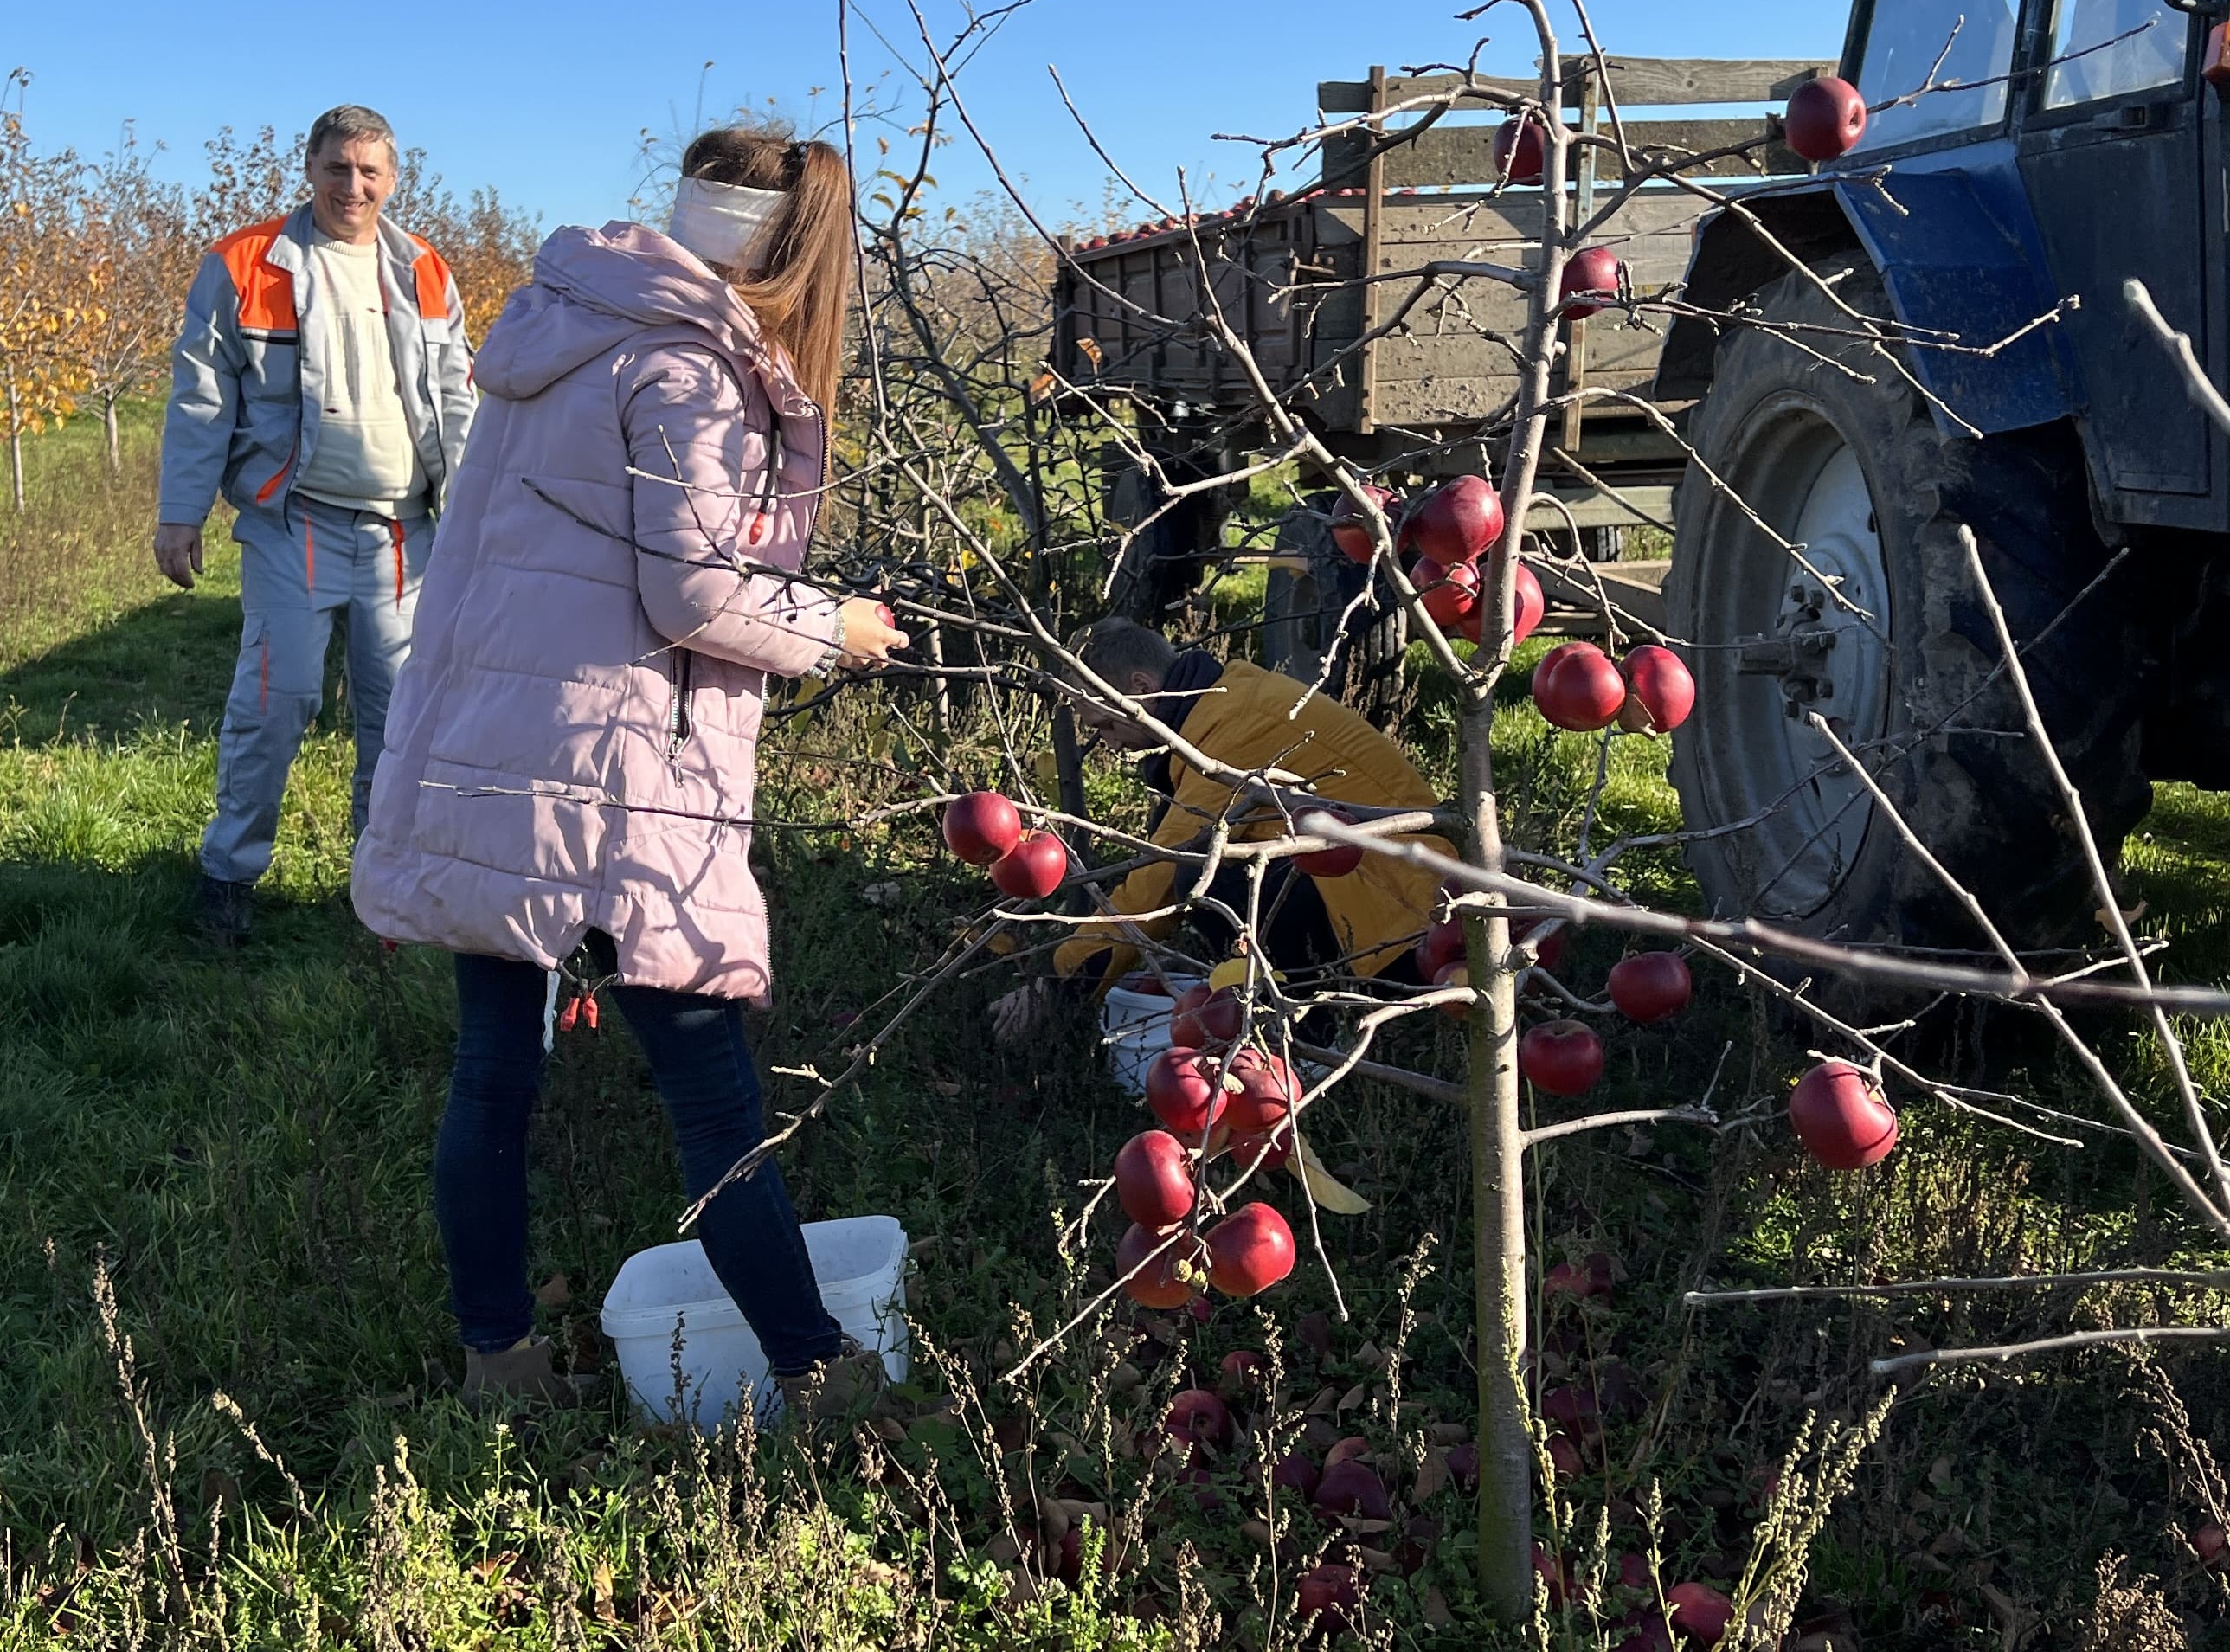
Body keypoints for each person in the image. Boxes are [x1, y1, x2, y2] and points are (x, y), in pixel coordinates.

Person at [351, 122, 909, 1415]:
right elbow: (697, 590)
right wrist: (839, 628)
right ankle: (820, 1377)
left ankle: (499, 1358)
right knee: (708, 1082)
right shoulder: (690, 368)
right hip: (611, 770)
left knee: (494, 1062)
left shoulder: (560, 321)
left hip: (497, 741)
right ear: (793, 251)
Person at [157, 106, 478, 948]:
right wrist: (179, 513)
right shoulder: (246, 263)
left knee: (400, 715)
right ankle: (228, 875)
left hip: (405, 531)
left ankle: (382, 889)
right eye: (338, 168)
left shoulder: (424, 271)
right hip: (293, 520)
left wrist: (480, 519)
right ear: (310, 169)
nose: (353, 187)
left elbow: (458, 399)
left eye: (369, 172)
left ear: (393, 178)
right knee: (278, 698)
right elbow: (201, 399)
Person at [994, 617, 1452, 1044]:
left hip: (1409, 922)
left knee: (1202, 875)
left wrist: (1054, 987)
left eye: (1107, 724)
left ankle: (1307, 1034)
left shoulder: (1232, 736)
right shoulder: (1230, 698)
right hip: (1402, 892)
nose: (1110, 744)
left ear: (1141, 688)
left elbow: (1158, 883)